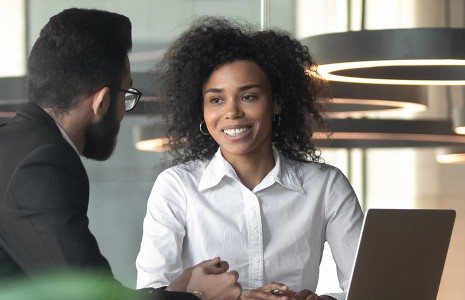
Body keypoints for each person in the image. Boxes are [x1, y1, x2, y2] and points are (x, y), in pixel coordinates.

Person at [0, 9, 241, 300]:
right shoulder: (42, 162)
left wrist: (176, 290)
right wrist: (202, 296)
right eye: (127, 95)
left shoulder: (12, 142)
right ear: (101, 101)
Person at [136, 16, 364, 300]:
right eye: (216, 100)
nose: (232, 112)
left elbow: (367, 288)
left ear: (277, 103)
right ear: (202, 111)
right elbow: (151, 293)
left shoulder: (326, 186)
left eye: (249, 97)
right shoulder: (176, 187)